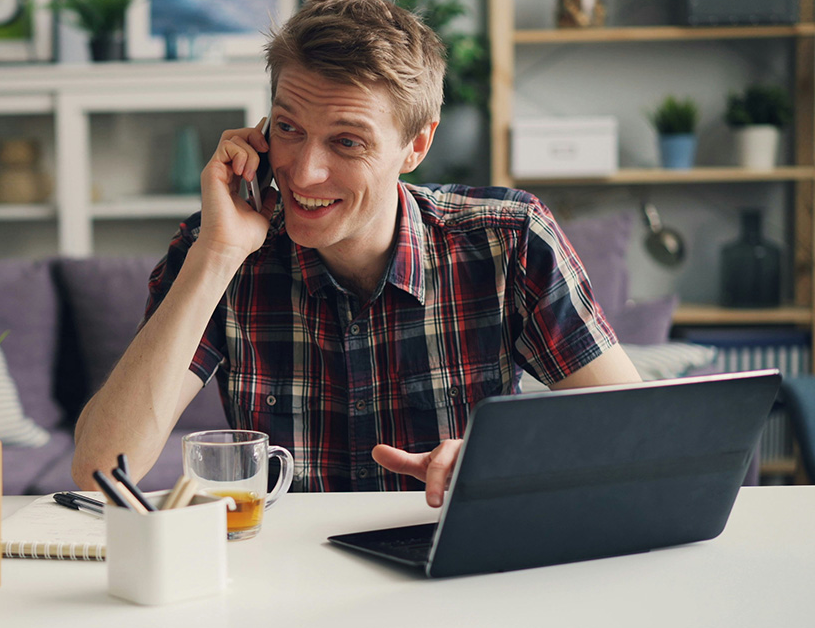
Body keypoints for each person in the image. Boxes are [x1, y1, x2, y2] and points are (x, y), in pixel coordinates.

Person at [72, 0, 641, 505]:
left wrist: (504, 461)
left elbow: (637, 434)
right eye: (288, 128)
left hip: (450, 563)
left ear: (416, 145)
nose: (304, 172)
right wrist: (217, 254)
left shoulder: (508, 240)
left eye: (347, 141)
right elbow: (99, 472)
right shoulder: (218, 250)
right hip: (287, 573)